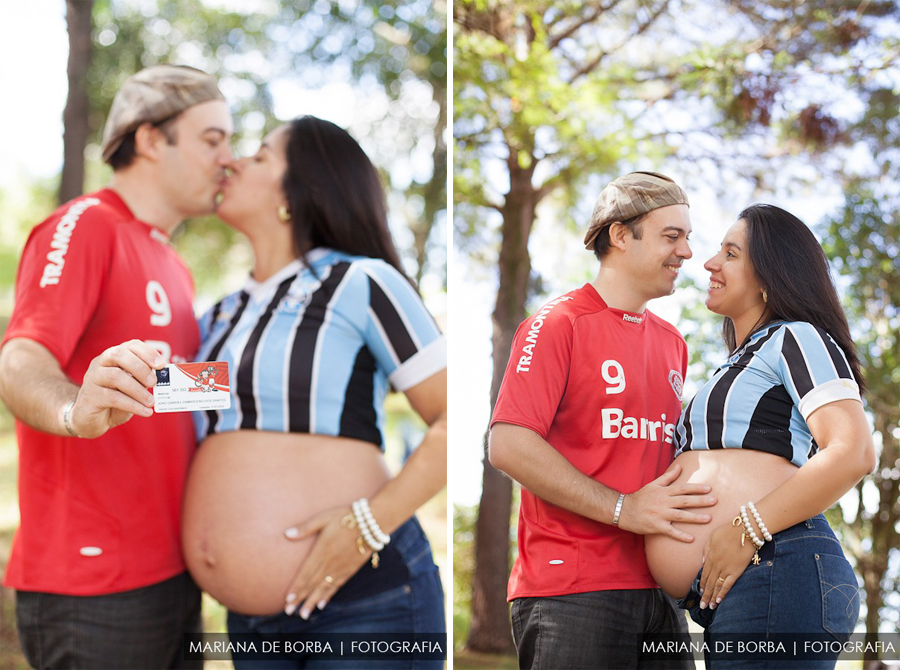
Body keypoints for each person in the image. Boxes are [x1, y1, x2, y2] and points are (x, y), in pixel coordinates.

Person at [179, 116, 447, 668]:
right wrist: (135, 377)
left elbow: (459, 415)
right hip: (252, 630)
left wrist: (368, 526)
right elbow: (214, 406)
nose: (232, 161)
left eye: (258, 156)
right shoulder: (219, 317)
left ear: (297, 193)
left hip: (363, 607)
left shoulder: (360, 284)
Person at [0, 65, 233, 668]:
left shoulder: (172, 263)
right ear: (152, 139)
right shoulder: (84, 225)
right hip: (92, 590)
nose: (229, 160)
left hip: (172, 577)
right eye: (213, 139)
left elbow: (163, 396)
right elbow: (21, 357)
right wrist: (73, 409)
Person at [489, 172, 719, 669]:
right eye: (671, 236)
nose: (686, 253)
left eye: (688, 238)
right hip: (573, 592)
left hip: (662, 596)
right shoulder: (557, 323)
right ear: (620, 235)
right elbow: (507, 443)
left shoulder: (672, 343)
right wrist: (623, 510)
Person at [644, 204, 876, 668]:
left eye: (730, 253)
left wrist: (745, 530)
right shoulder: (740, 360)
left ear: (771, 274)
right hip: (744, 586)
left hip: (778, 566)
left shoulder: (796, 337)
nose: (709, 263)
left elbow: (853, 451)